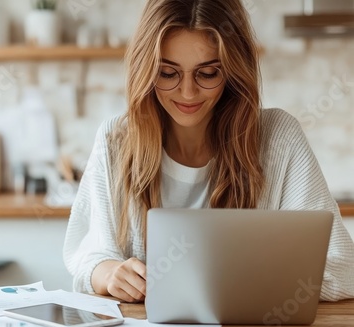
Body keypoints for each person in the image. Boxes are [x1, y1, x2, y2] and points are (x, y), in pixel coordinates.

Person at [63, 0, 354, 303]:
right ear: (146, 71)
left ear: (232, 71)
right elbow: (87, 256)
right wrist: (108, 273)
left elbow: (344, 269)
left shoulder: (279, 138)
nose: (188, 92)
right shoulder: (116, 141)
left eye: (208, 73)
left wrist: (243, 279)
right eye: (167, 73)